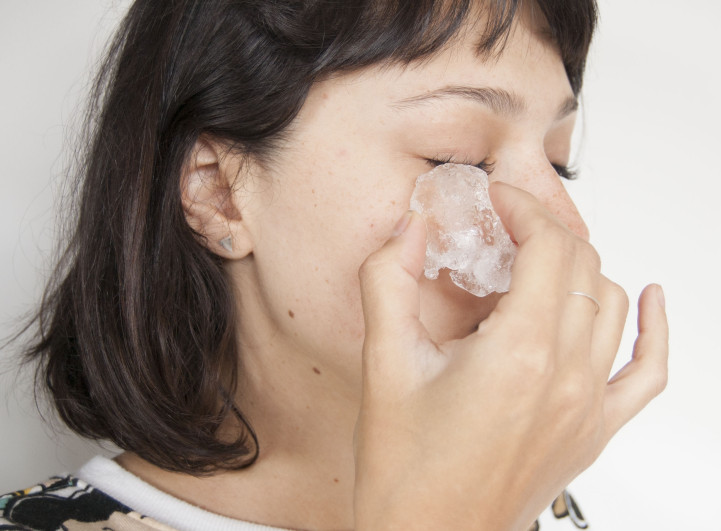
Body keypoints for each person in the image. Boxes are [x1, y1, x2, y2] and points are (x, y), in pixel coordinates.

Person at [1, 0, 668, 529]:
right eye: (457, 157)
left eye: (558, 163)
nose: (563, 230)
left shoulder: (540, 499)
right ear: (219, 192)